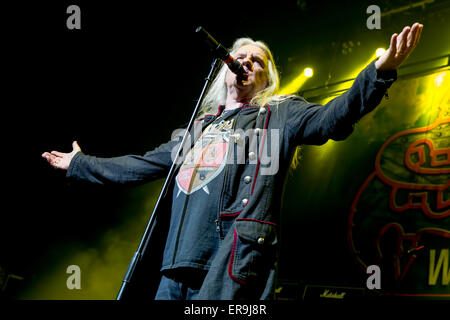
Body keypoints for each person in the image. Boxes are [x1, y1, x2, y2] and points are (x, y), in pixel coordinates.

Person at [42, 23, 423, 300]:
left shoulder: (281, 114)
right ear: (224, 69)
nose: (244, 63)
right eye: (238, 57)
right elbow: (141, 165)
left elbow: (332, 118)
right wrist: (80, 164)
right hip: (173, 269)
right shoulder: (197, 127)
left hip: (231, 265)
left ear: (266, 77)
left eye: (255, 61)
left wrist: (378, 73)